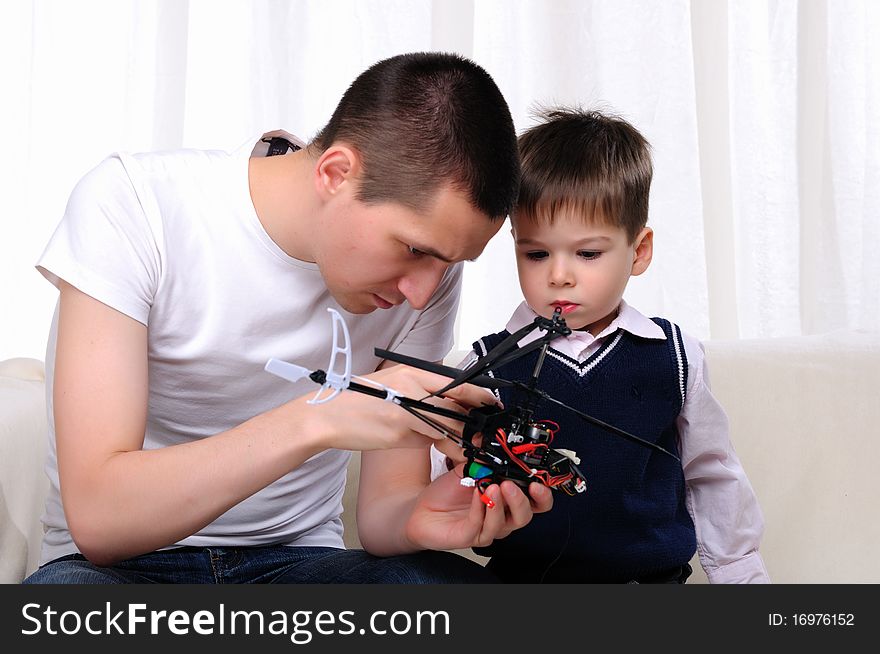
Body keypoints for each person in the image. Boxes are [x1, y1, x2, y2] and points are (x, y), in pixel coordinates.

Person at [24, 51, 553, 584]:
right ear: (335, 173)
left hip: (300, 566)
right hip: (115, 571)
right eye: (414, 249)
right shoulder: (136, 205)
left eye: (450, 262)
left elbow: (381, 515)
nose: (421, 293)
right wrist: (320, 417)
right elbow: (100, 520)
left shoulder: (426, 279)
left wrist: (423, 518)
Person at [432, 107, 770, 583]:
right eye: (535, 253)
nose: (559, 275)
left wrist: (740, 575)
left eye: (588, 253)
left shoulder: (674, 355)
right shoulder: (486, 363)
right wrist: (455, 457)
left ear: (640, 250)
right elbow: (441, 477)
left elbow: (711, 473)